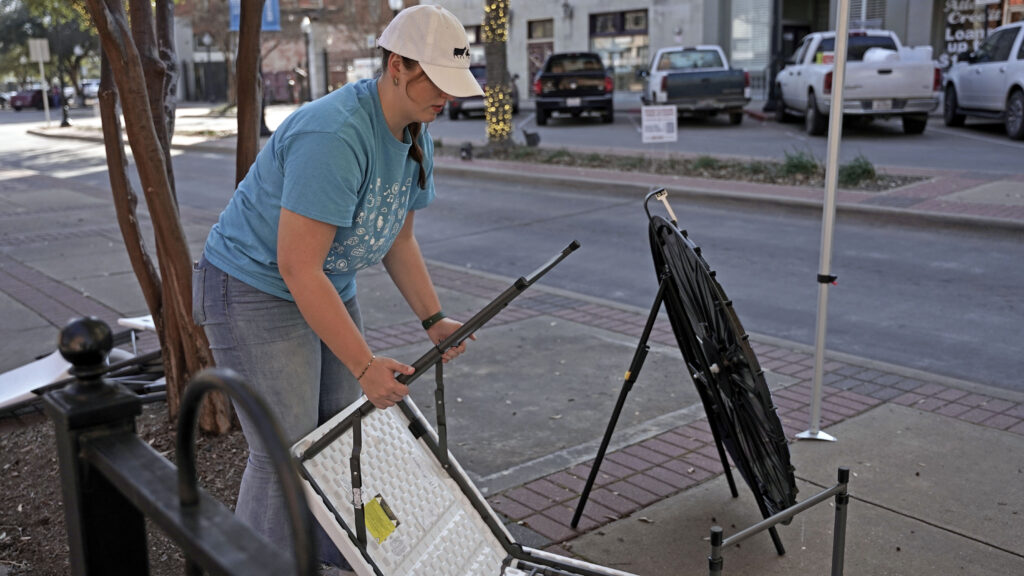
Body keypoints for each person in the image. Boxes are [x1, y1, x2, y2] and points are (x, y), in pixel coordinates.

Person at [191, 5, 483, 573]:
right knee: (285, 452)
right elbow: (298, 267)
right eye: (438, 83)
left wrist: (434, 319)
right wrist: (365, 363)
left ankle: (321, 555)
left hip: (326, 282)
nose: (446, 99)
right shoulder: (336, 133)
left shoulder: (414, 133)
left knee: (331, 439)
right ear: (398, 66)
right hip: (254, 286)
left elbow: (399, 240)